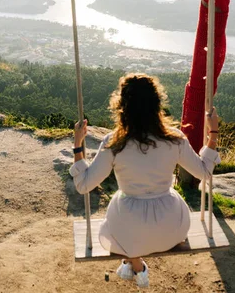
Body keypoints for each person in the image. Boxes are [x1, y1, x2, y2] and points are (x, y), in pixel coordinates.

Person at [70, 73, 220, 288]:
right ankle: (135, 264)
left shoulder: (114, 143)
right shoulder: (175, 139)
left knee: (116, 228)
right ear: (157, 104)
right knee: (132, 228)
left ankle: (134, 261)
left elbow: (84, 185)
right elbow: (205, 172)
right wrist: (213, 132)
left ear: (122, 106)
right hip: (173, 227)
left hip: (129, 222)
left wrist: (78, 145)